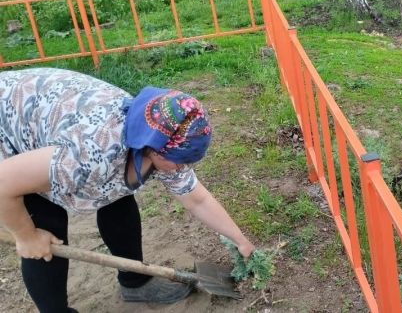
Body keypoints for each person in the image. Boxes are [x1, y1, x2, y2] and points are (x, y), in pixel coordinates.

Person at [0, 68, 256, 313]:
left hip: (50, 107)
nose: (182, 167)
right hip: (9, 123)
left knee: (117, 194)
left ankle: (135, 283)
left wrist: (240, 241)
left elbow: (197, 199)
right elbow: (3, 182)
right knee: (47, 223)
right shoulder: (90, 153)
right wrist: (26, 236)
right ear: (153, 148)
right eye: (179, 160)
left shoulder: (157, 131)